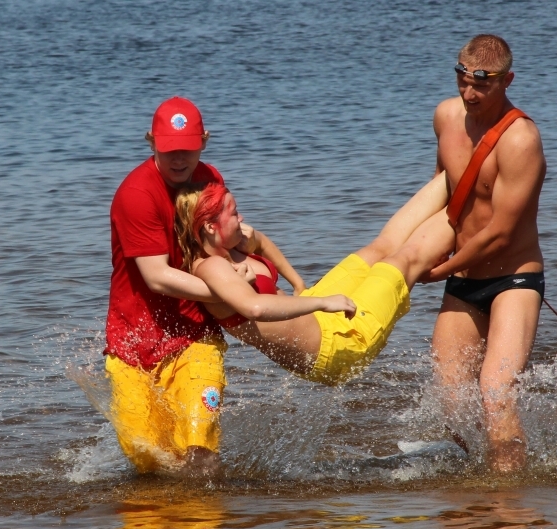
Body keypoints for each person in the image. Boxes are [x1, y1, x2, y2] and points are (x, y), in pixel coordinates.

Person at [104, 96, 294, 474]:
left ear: (204, 141)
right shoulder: (137, 195)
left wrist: (264, 274)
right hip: (133, 343)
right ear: (151, 141)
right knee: (149, 458)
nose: (178, 159)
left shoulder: (211, 183)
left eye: (188, 149)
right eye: (169, 149)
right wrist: (229, 292)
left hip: (195, 337)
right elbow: (156, 277)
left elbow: (235, 241)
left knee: (199, 453)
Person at [173, 178, 455, 385]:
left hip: (314, 309)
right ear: (211, 227)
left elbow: (260, 241)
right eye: (233, 213)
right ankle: (472, 195)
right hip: (333, 348)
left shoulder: (234, 239)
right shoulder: (212, 269)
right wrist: (321, 302)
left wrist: (297, 282)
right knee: (404, 260)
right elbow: (255, 308)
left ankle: (458, 169)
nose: (241, 217)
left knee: (379, 249)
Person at [425, 34, 546, 473]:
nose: (469, 93)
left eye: (483, 84)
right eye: (462, 79)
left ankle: (508, 510)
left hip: (513, 279)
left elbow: (499, 233)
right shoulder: (445, 117)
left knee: (495, 393)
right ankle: (473, 502)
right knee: (452, 404)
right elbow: (439, 196)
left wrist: (439, 271)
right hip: (462, 280)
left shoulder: (521, 140)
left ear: (507, 80)